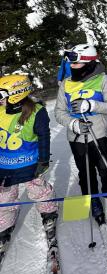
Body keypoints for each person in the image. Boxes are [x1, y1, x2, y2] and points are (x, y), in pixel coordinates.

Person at [55, 44, 107, 227]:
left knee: (105, 167)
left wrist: (91, 105)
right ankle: (93, 199)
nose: (71, 66)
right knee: (85, 171)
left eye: (75, 63)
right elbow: (59, 112)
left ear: (87, 63)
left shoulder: (102, 79)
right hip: (77, 137)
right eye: (70, 62)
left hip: (99, 134)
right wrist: (73, 124)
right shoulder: (66, 83)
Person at [0, 75, 58, 254]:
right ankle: (4, 224)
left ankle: (48, 212)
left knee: (39, 191)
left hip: (29, 164)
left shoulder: (36, 112)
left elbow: (44, 136)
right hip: (5, 166)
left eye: (1, 95)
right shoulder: (1, 111)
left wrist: (43, 160)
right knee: (4, 198)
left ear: (16, 94)